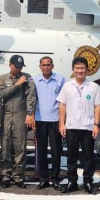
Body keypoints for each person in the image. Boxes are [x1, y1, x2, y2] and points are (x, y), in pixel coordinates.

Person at [56, 57, 100, 193]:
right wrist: (62, 123)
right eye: (77, 68)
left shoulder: (93, 86)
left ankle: (88, 182)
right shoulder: (67, 86)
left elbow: (97, 106)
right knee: (71, 156)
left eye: (82, 68)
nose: (80, 71)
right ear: (73, 70)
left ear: (87, 70)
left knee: (88, 156)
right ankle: (72, 182)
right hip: (71, 126)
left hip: (88, 126)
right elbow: (62, 105)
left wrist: (96, 125)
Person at [0, 54, 37, 188]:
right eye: (16, 66)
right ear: (10, 65)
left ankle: (18, 175)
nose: (19, 69)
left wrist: (30, 113)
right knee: (6, 145)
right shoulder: (3, 78)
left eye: (20, 67)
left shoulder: (27, 77)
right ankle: (5, 174)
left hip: (20, 114)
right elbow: (1, 95)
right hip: (6, 114)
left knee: (20, 146)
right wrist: (17, 85)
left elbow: (31, 96)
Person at [32, 57, 65, 190]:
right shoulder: (35, 80)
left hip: (55, 120)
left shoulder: (60, 79)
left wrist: (63, 121)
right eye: (43, 65)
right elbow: (32, 100)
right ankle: (44, 178)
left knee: (56, 150)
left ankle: (56, 178)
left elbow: (64, 101)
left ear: (52, 66)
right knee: (42, 150)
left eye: (48, 65)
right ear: (40, 66)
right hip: (40, 120)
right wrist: (32, 117)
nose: (46, 67)